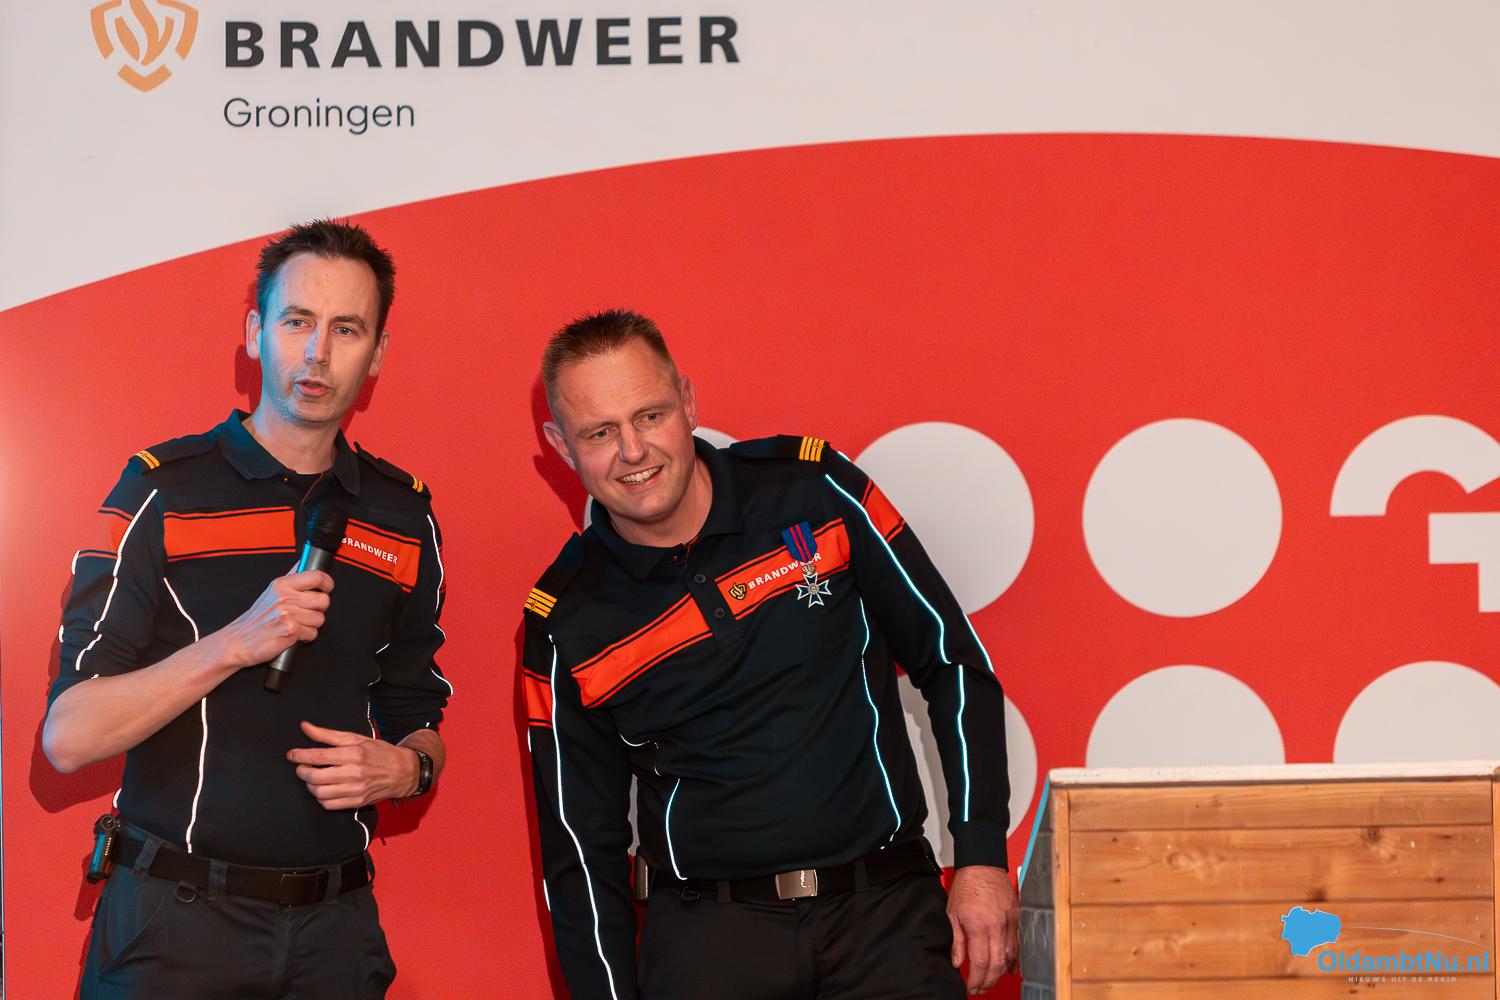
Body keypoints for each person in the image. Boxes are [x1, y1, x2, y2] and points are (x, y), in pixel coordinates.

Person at [523, 309, 1018, 999]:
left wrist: (983, 857)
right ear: (560, 445)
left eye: (650, 415)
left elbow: (951, 661)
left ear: (688, 402)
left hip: (885, 917)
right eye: (599, 433)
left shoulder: (817, 491)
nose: (633, 451)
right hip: (707, 942)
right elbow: (579, 849)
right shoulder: (565, 620)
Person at [43, 219, 452, 999]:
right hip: (174, 928)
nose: (317, 353)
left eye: (347, 329)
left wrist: (407, 767)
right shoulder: (162, 491)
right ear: (254, 333)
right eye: (297, 321)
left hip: (336, 932)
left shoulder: (404, 515)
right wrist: (235, 642)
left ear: (377, 355)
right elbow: (69, 737)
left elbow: (417, 708)